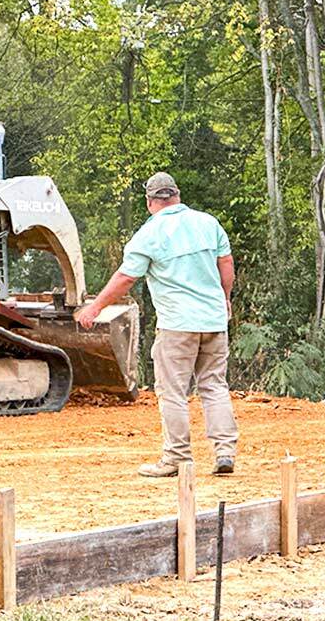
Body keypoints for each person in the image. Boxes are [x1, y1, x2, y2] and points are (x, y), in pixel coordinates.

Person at [75, 172, 238, 477]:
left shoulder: (148, 234)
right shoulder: (208, 223)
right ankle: (224, 452)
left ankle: (177, 457)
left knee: (173, 391)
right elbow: (226, 264)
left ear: (150, 201)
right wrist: (225, 298)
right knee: (214, 386)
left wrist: (95, 307)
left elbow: (126, 277)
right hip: (214, 321)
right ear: (177, 195)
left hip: (177, 324)